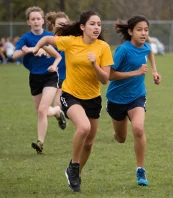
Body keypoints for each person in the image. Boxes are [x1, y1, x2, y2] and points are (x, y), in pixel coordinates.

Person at [32, 11, 114, 192]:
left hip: (93, 98)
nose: (96, 27)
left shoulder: (103, 47)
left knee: (90, 142)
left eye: (99, 24)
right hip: (70, 94)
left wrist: (94, 65)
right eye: (92, 24)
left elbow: (105, 79)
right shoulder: (70, 42)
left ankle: (75, 172)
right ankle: (74, 166)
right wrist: (36, 48)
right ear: (83, 27)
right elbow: (46, 40)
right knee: (83, 128)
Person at [106, 15, 161, 186]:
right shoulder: (123, 50)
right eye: (139, 30)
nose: (143, 33)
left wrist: (154, 71)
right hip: (116, 98)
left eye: (146, 30)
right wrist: (136, 72)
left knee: (138, 128)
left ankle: (140, 170)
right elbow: (110, 75)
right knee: (121, 138)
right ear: (130, 31)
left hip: (137, 96)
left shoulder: (146, 46)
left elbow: (149, 51)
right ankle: (116, 133)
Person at [12, 6, 66, 154]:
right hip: (34, 77)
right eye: (33, 19)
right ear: (29, 22)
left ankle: (40, 142)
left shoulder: (49, 36)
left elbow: (58, 55)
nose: (36, 21)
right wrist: (25, 50)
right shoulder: (25, 38)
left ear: (42, 20)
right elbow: (14, 55)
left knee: (42, 110)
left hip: (50, 76)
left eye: (38, 18)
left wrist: (45, 51)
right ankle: (57, 112)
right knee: (41, 111)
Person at [45, 11, 70, 109]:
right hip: (51, 77)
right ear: (53, 25)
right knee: (49, 106)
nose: (62, 26)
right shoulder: (49, 40)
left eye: (65, 24)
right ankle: (59, 115)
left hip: (67, 77)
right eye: (60, 24)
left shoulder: (70, 39)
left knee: (57, 104)